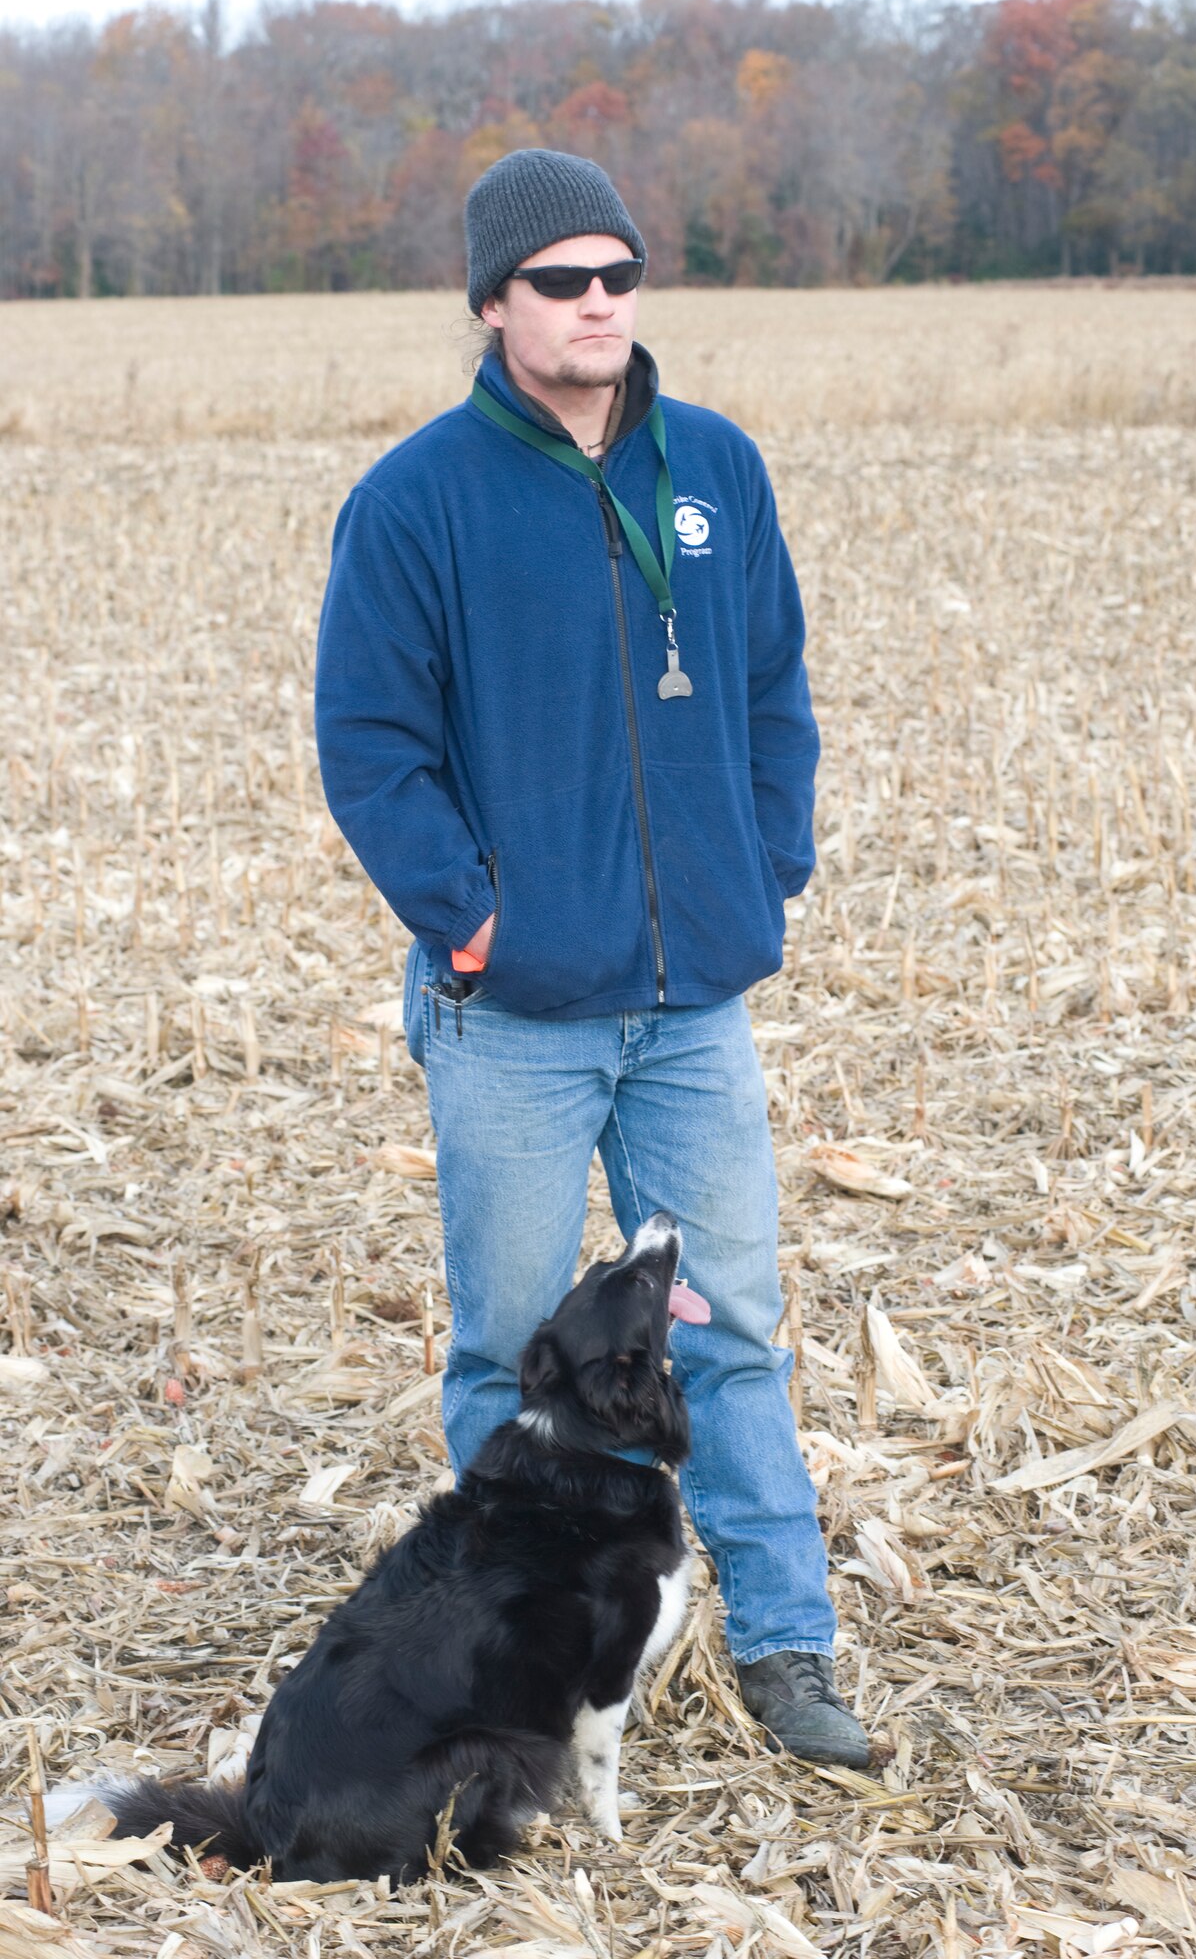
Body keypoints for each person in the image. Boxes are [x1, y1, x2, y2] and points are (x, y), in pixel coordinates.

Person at [314, 148, 869, 1768]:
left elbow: (775, 685)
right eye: (561, 278)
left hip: (693, 998)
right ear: (495, 302)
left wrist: (763, 865)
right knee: (508, 1351)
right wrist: (479, 922)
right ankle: (513, 1674)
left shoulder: (717, 471)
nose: (599, 299)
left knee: (737, 1330)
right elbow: (371, 744)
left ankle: (785, 1650)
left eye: (619, 271)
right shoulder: (418, 499)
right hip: (518, 1018)